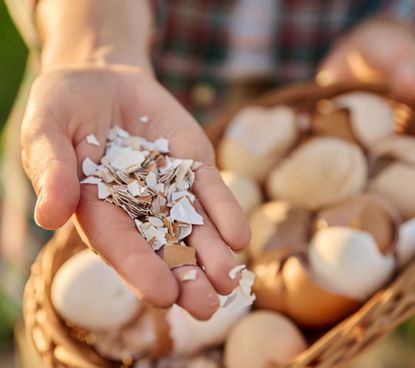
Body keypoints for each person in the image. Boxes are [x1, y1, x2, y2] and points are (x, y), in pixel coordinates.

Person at [3, 0, 415, 322]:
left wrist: (395, 18)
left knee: (263, 349)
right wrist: (92, 42)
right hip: (120, 92)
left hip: (305, 102)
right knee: (76, 339)